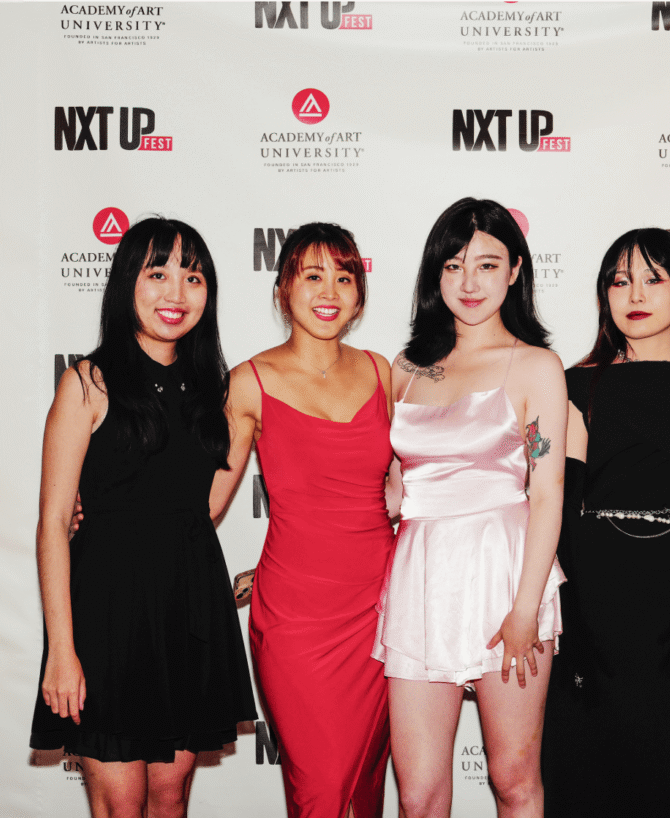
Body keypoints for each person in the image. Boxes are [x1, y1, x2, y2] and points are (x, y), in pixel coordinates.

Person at [30, 217, 258, 818]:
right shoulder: (89, 382)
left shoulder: (217, 391)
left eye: (193, 277)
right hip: (107, 620)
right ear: (127, 280)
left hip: (188, 614)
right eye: (158, 274)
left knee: (169, 799)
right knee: (121, 805)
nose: (176, 294)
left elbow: (204, 508)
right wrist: (62, 650)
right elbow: (54, 521)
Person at [540, 228, 670, 817]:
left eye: (653, 279)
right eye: (619, 280)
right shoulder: (577, 384)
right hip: (593, 591)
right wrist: (574, 620)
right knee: (587, 774)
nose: (635, 293)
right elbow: (562, 506)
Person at [371, 197, 567, 818]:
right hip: (419, 582)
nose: (469, 282)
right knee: (420, 794)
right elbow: (393, 487)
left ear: (515, 272)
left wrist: (526, 608)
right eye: (453, 266)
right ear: (436, 276)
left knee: (513, 782)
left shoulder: (536, 366)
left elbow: (548, 491)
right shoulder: (406, 368)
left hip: (506, 578)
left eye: (487, 264)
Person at [212, 223, 394, 818]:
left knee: (364, 787)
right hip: (295, 620)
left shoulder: (383, 372)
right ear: (283, 287)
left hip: (383, 609)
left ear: (360, 296)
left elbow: (416, 484)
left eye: (345, 277)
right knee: (319, 789)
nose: (330, 290)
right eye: (313, 275)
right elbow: (206, 500)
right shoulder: (250, 380)